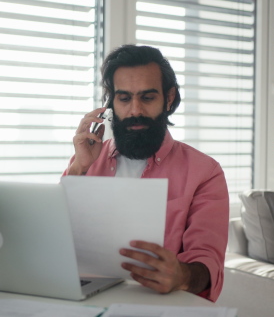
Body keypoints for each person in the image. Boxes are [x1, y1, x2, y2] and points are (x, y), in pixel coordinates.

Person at [64, 44, 229, 302]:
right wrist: (78, 169)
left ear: (169, 98)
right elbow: (58, 241)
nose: (135, 110)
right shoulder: (86, 161)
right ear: (111, 102)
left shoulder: (205, 172)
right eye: (125, 98)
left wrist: (182, 275)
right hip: (85, 302)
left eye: (148, 97)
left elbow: (208, 265)